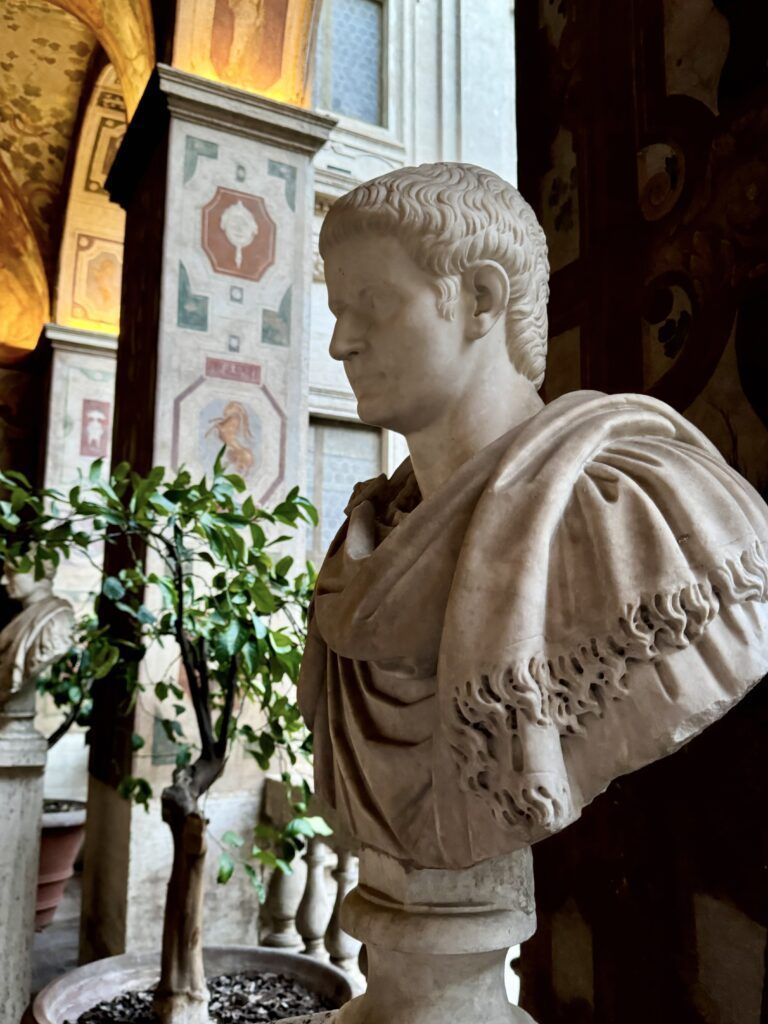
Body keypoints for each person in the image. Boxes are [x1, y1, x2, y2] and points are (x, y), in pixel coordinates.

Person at [298, 162, 768, 870]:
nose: (341, 343)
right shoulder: (359, 556)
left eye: (372, 302)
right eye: (338, 310)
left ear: (481, 298)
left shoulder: (646, 517)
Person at [0, 561, 74, 704]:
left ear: (38, 573)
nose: (3, 580)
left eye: (11, 573)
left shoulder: (56, 620)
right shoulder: (21, 617)